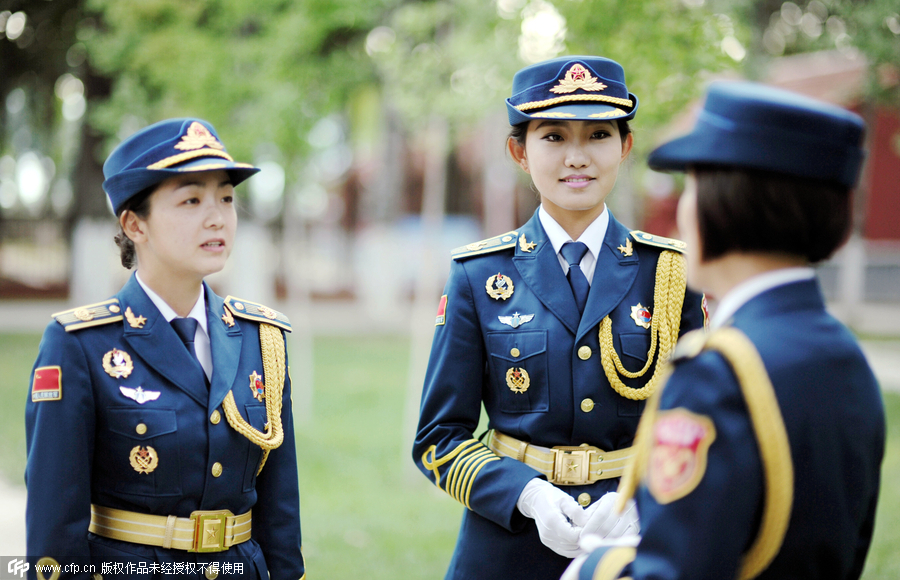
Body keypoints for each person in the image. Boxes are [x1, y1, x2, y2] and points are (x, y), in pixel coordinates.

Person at [566, 81, 886, 580]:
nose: (681, 212)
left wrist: (596, 566)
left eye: (692, 186)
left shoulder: (719, 372)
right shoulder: (842, 352)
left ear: (724, 203)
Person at [411, 56, 706, 580]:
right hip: (507, 546)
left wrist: (643, 500)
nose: (577, 157)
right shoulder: (477, 278)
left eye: (597, 135)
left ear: (626, 146)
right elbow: (438, 439)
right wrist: (524, 495)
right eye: (553, 137)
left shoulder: (670, 275)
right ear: (519, 152)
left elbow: (702, 423)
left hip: (636, 538)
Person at [25, 119, 305, 580]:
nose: (216, 217)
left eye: (227, 199)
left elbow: (280, 512)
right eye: (192, 200)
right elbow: (55, 526)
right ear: (135, 224)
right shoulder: (81, 344)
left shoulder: (261, 340)